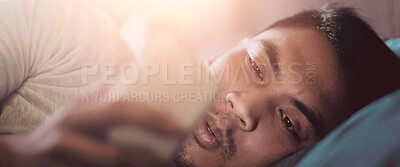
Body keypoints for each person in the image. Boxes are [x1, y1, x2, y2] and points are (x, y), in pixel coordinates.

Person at [0, 1, 399, 167]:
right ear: (227, 48)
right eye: (256, 65)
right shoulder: (60, 30)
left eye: (289, 121)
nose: (243, 107)